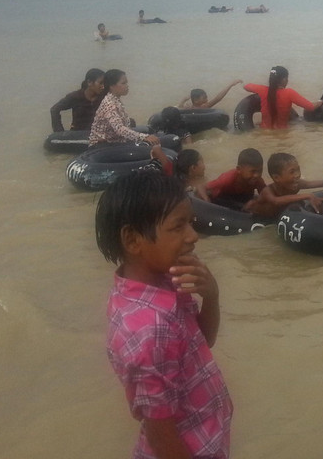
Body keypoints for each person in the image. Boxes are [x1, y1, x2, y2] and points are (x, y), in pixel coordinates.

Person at [95, 171, 232, 459]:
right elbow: (161, 437)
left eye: (191, 222)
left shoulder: (166, 281)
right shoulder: (149, 331)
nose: (193, 236)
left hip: (207, 438)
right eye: (178, 226)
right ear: (133, 240)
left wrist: (211, 295)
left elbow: (202, 340)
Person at [246, 152, 323, 219]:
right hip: (251, 213)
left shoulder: (297, 184)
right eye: (292, 172)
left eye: (298, 169)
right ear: (276, 178)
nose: (297, 175)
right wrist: (308, 195)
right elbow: (276, 201)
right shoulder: (268, 191)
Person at [89, 70, 159, 147]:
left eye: (126, 83)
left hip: (114, 142)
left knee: (149, 134)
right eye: (123, 83)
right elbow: (119, 129)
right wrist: (144, 137)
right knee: (151, 145)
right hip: (102, 146)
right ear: (111, 86)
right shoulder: (110, 104)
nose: (127, 86)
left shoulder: (114, 99)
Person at [243, 66, 318, 129]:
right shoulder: (289, 93)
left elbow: (246, 86)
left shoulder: (262, 90)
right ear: (284, 79)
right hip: (282, 134)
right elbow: (310, 107)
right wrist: (320, 102)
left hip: (264, 132)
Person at [197, 148, 265, 209]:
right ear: (239, 169)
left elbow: (266, 195)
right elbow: (201, 187)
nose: (257, 175)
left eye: (260, 171)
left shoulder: (257, 181)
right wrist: (207, 202)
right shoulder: (227, 179)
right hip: (223, 200)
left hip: (242, 200)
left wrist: (256, 202)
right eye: (253, 171)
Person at [178, 80, 243, 109]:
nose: (207, 99)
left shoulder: (189, 108)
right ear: (196, 101)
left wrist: (183, 101)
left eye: (206, 97)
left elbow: (180, 107)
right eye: (204, 98)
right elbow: (218, 98)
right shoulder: (204, 107)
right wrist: (231, 85)